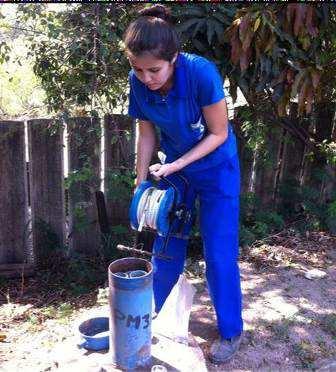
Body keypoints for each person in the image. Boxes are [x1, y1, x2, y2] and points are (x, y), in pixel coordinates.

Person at [124, 4, 243, 364]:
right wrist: (141, 179)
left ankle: (231, 331)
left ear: (173, 57)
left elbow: (219, 133)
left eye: (154, 70)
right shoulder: (138, 82)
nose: (146, 78)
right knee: (166, 247)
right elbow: (146, 133)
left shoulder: (201, 73)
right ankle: (149, 319)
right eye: (137, 69)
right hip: (176, 172)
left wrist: (176, 163)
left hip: (216, 170)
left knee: (219, 253)